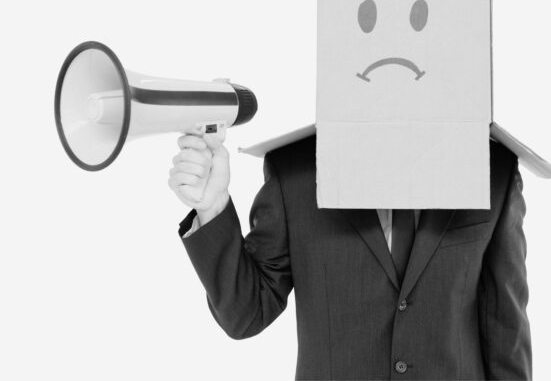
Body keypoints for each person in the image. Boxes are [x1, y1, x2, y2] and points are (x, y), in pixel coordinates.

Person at [169, 130, 531, 380]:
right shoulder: (297, 169)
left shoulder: (491, 169)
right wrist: (212, 207)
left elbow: (505, 331)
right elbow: (246, 314)